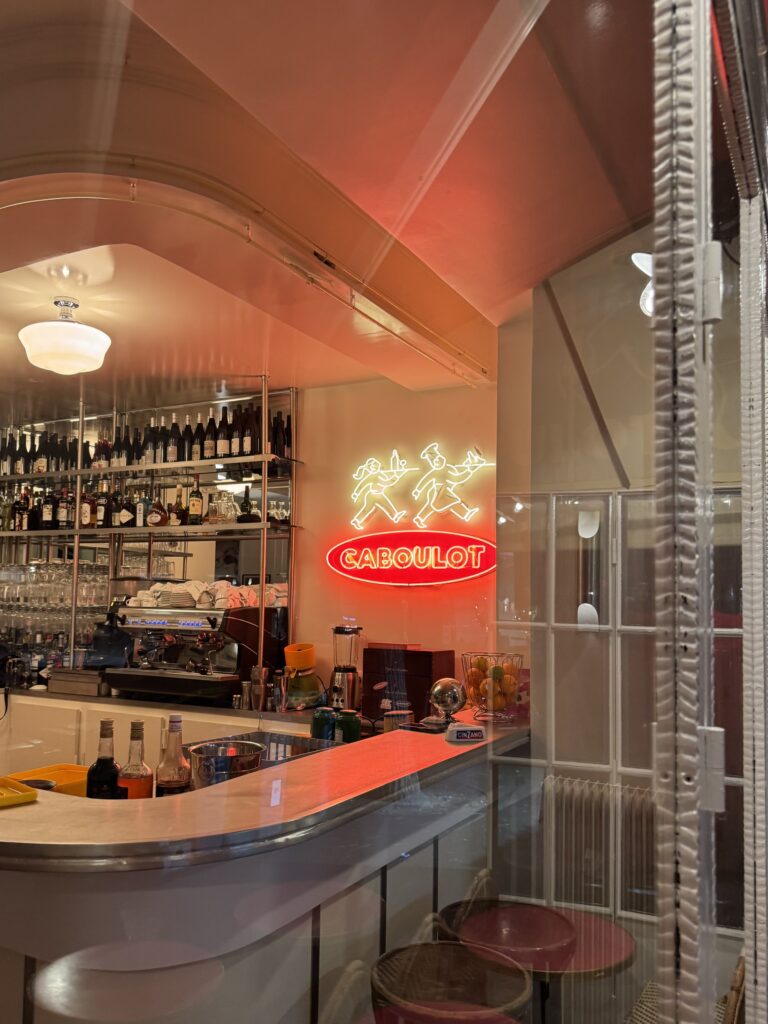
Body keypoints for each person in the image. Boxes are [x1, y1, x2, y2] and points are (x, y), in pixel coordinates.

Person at [412, 443, 491, 528]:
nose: (439, 462)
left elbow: (458, 476)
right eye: (436, 461)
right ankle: (466, 513)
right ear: (434, 463)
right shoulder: (437, 472)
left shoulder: (448, 468)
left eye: (439, 460)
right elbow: (458, 478)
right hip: (441, 493)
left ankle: (419, 518)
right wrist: (418, 490)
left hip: (442, 491)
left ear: (443, 459)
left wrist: (468, 467)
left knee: (432, 507)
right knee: (453, 502)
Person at [350, 449, 411, 530]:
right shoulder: (375, 475)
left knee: (374, 509)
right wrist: (356, 493)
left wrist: (397, 475)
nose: (376, 467)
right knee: (378, 507)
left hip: (378, 494)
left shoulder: (380, 474)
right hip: (373, 495)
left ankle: (359, 521)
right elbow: (364, 484)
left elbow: (388, 481)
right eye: (373, 466)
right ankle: (395, 516)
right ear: (370, 468)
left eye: (376, 465)